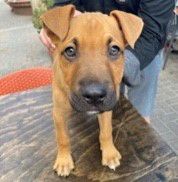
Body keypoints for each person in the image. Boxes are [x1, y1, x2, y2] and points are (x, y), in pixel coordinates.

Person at [39, 0, 174, 123]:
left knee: (140, 115)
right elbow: (64, 2)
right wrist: (56, 23)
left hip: (145, 49)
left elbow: (153, 31)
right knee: (110, 112)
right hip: (91, 47)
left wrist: (117, 63)